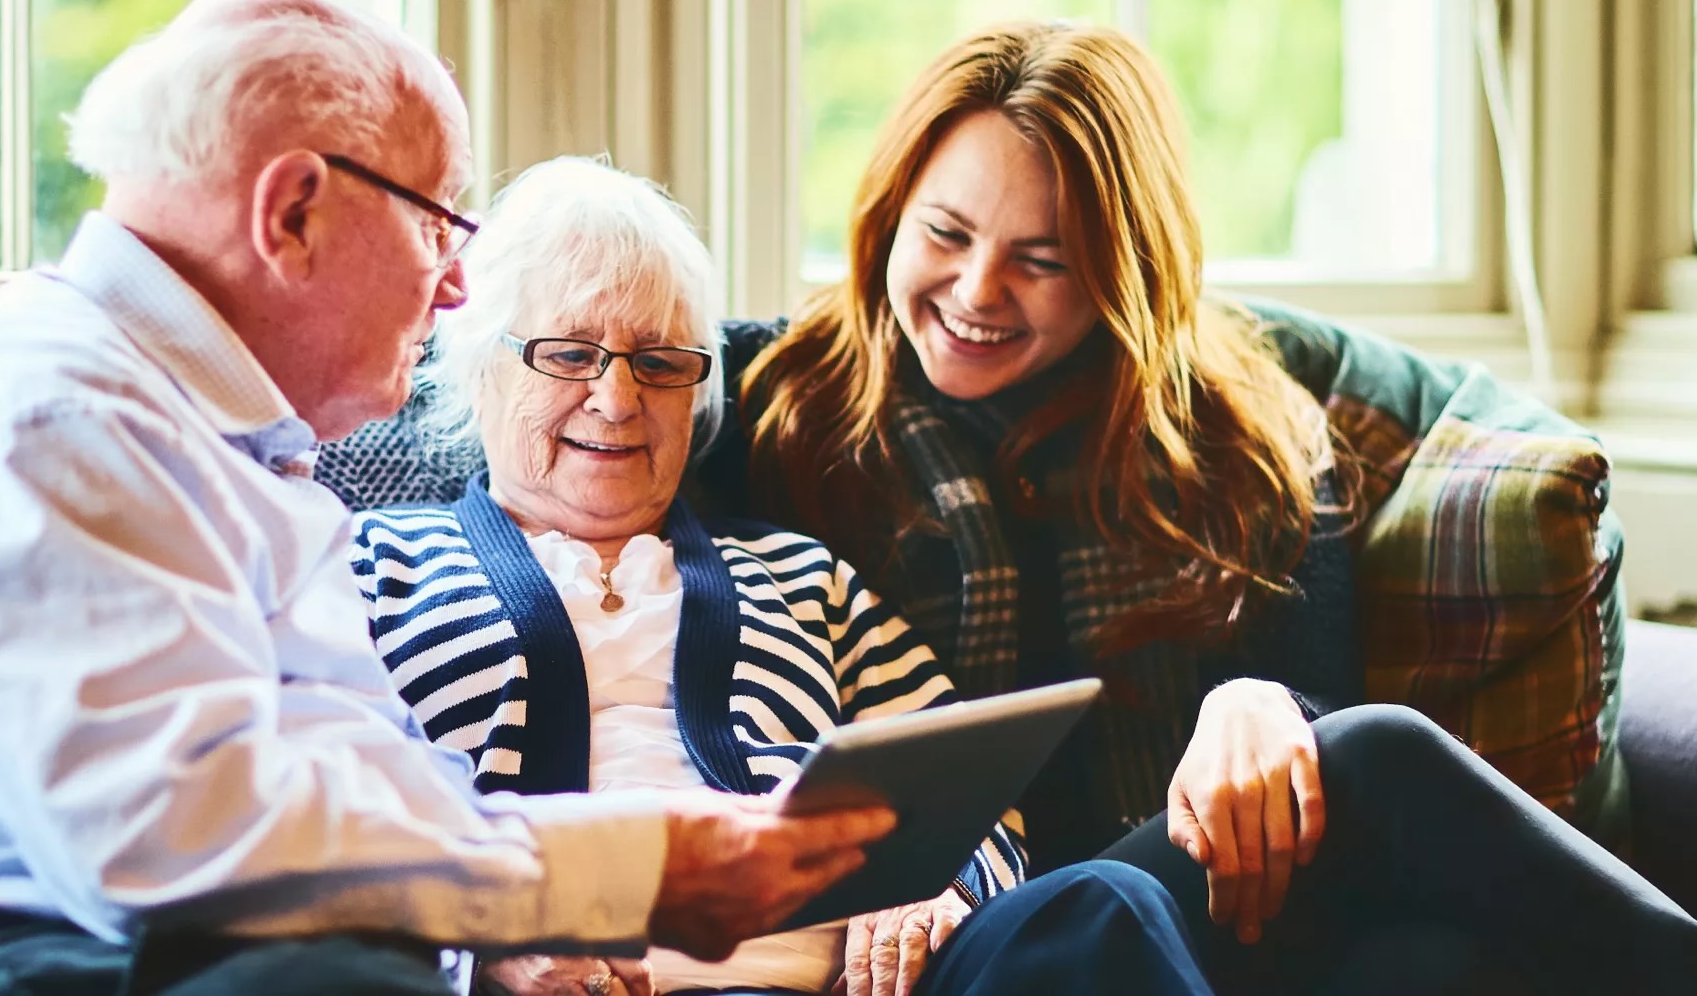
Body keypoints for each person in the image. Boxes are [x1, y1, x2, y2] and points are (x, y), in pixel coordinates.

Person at [0, 0, 897, 996]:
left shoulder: (228, 448)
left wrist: (519, 920)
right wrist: (616, 873)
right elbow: (167, 837)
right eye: (439, 224)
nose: (451, 291)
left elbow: (350, 774)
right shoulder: (49, 410)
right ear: (290, 212)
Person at [718, 19, 1697, 995]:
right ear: (887, 215)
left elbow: (1320, 716)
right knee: (1383, 761)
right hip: (994, 938)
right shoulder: (778, 405)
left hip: (1215, 901)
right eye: (945, 234)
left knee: (1444, 974)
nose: (974, 293)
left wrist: (1265, 703)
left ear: (1121, 271)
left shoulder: (1236, 423)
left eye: (1042, 261)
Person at [349, 156, 1211, 996]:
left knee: (1108, 905)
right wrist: (475, 946)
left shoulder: (808, 579)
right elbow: (294, 830)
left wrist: (932, 886)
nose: (617, 401)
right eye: (571, 355)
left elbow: (977, 794)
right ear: (480, 363)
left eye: (660, 363)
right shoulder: (370, 573)